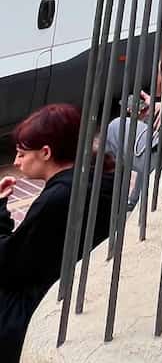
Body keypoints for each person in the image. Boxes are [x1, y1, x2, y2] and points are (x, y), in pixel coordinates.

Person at [0, 104, 113, 361]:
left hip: (46, 302)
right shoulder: (97, 179)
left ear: (46, 152)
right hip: (79, 285)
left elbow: (9, 266)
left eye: (20, 154)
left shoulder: (57, 200)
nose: (16, 162)